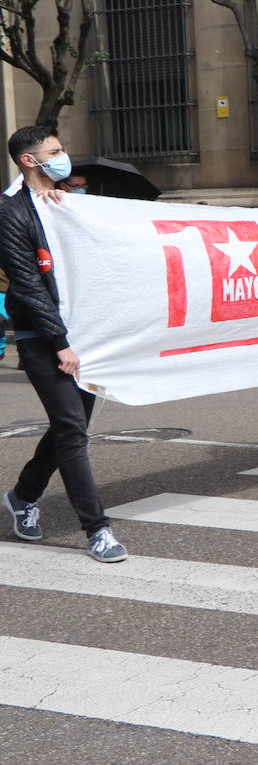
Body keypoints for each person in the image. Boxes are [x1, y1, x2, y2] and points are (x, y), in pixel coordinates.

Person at [0, 126, 127, 562]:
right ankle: (97, 530)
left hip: (85, 333)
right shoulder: (9, 212)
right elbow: (29, 285)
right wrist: (59, 343)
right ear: (29, 161)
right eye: (54, 152)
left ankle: (23, 496)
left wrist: (68, 211)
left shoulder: (65, 205)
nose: (64, 157)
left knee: (68, 427)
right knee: (72, 428)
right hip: (43, 338)